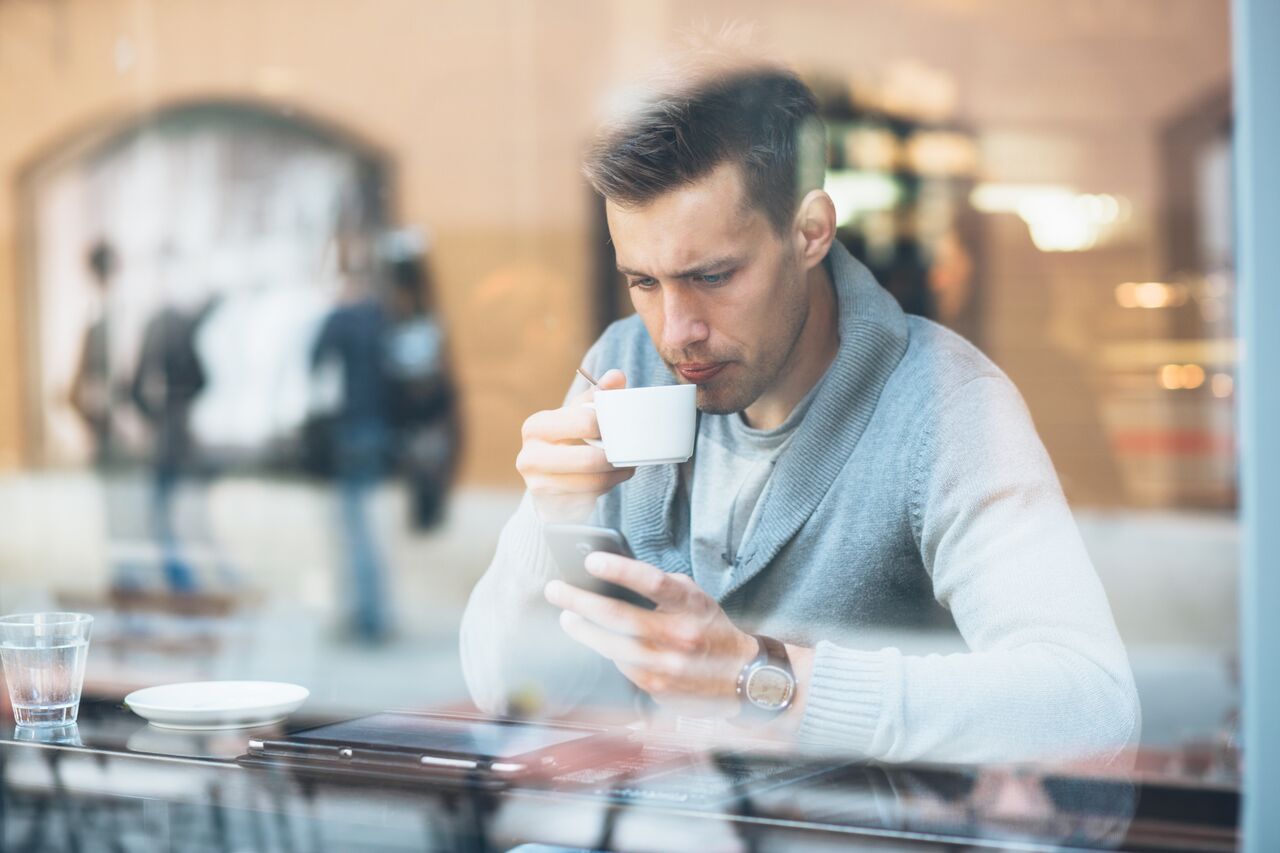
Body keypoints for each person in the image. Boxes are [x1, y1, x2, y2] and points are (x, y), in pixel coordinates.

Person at [460, 64, 1139, 764]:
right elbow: (511, 689)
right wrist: (548, 524)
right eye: (643, 281)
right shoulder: (624, 365)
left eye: (712, 276)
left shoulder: (944, 402)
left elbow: (1091, 705)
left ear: (811, 231)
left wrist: (764, 679)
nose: (676, 330)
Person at [311, 232, 394, 643]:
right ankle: (374, 613)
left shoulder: (340, 318)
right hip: (378, 430)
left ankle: (363, 617)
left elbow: (314, 365)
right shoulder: (382, 315)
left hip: (348, 432)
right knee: (369, 526)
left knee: (351, 527)